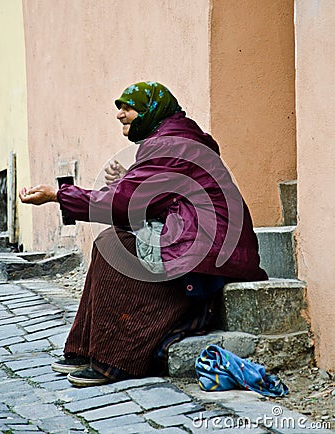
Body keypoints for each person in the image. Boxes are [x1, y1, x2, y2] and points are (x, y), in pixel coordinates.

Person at [19, 81, 267, 387]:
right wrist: (125, 181)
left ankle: (115, 360)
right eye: (119, 108)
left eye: (127, 107)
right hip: (208, 250)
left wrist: (59, 195)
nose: (120, 115)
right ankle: (86, 349)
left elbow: (123, 203)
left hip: (208, 260)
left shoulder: (170, 145)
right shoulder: (173, 139)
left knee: (113, 244)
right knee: (114, 241)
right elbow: (148, 196)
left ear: (151, 110)